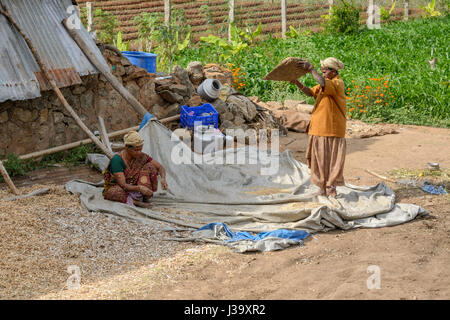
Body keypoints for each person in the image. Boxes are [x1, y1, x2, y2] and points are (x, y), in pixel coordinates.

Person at [290, 57, 347, 197]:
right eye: (322, 72)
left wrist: (311, 70)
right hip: (319, 127)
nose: (323, 74)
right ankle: (322, 186)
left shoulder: (337, 83)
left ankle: (331, 187)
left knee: (331, 160)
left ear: (334, 72)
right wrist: (297, 83)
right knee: (320, 159)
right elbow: (311, 92)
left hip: (331, 128)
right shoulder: (325, 84)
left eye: (325, 71)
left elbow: (322, 82)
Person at [103, 130, 168, 208]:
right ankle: (135, 202)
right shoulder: (117, 160)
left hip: (136, 189)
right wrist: (139, 188)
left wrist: (163, 179)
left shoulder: (141, 156)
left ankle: (145, 197)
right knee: (113, 192)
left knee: (150, 167)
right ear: (127, 147)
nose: (139, 152)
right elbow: (123, 185)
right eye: (136, 150)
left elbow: (159, 167)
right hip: (121, 188)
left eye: (140, 149)